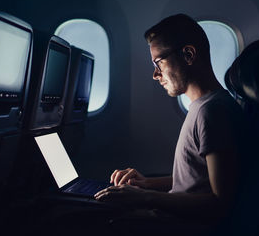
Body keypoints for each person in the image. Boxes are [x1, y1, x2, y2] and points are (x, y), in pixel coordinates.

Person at [94, 14, 246, 226]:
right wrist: (146, 184)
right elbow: (197, 181)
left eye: (158, 62)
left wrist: (145, 198)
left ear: (188, 55)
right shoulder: (203, 107)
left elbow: (220, 203)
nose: (155, 74)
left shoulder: (213, 112)